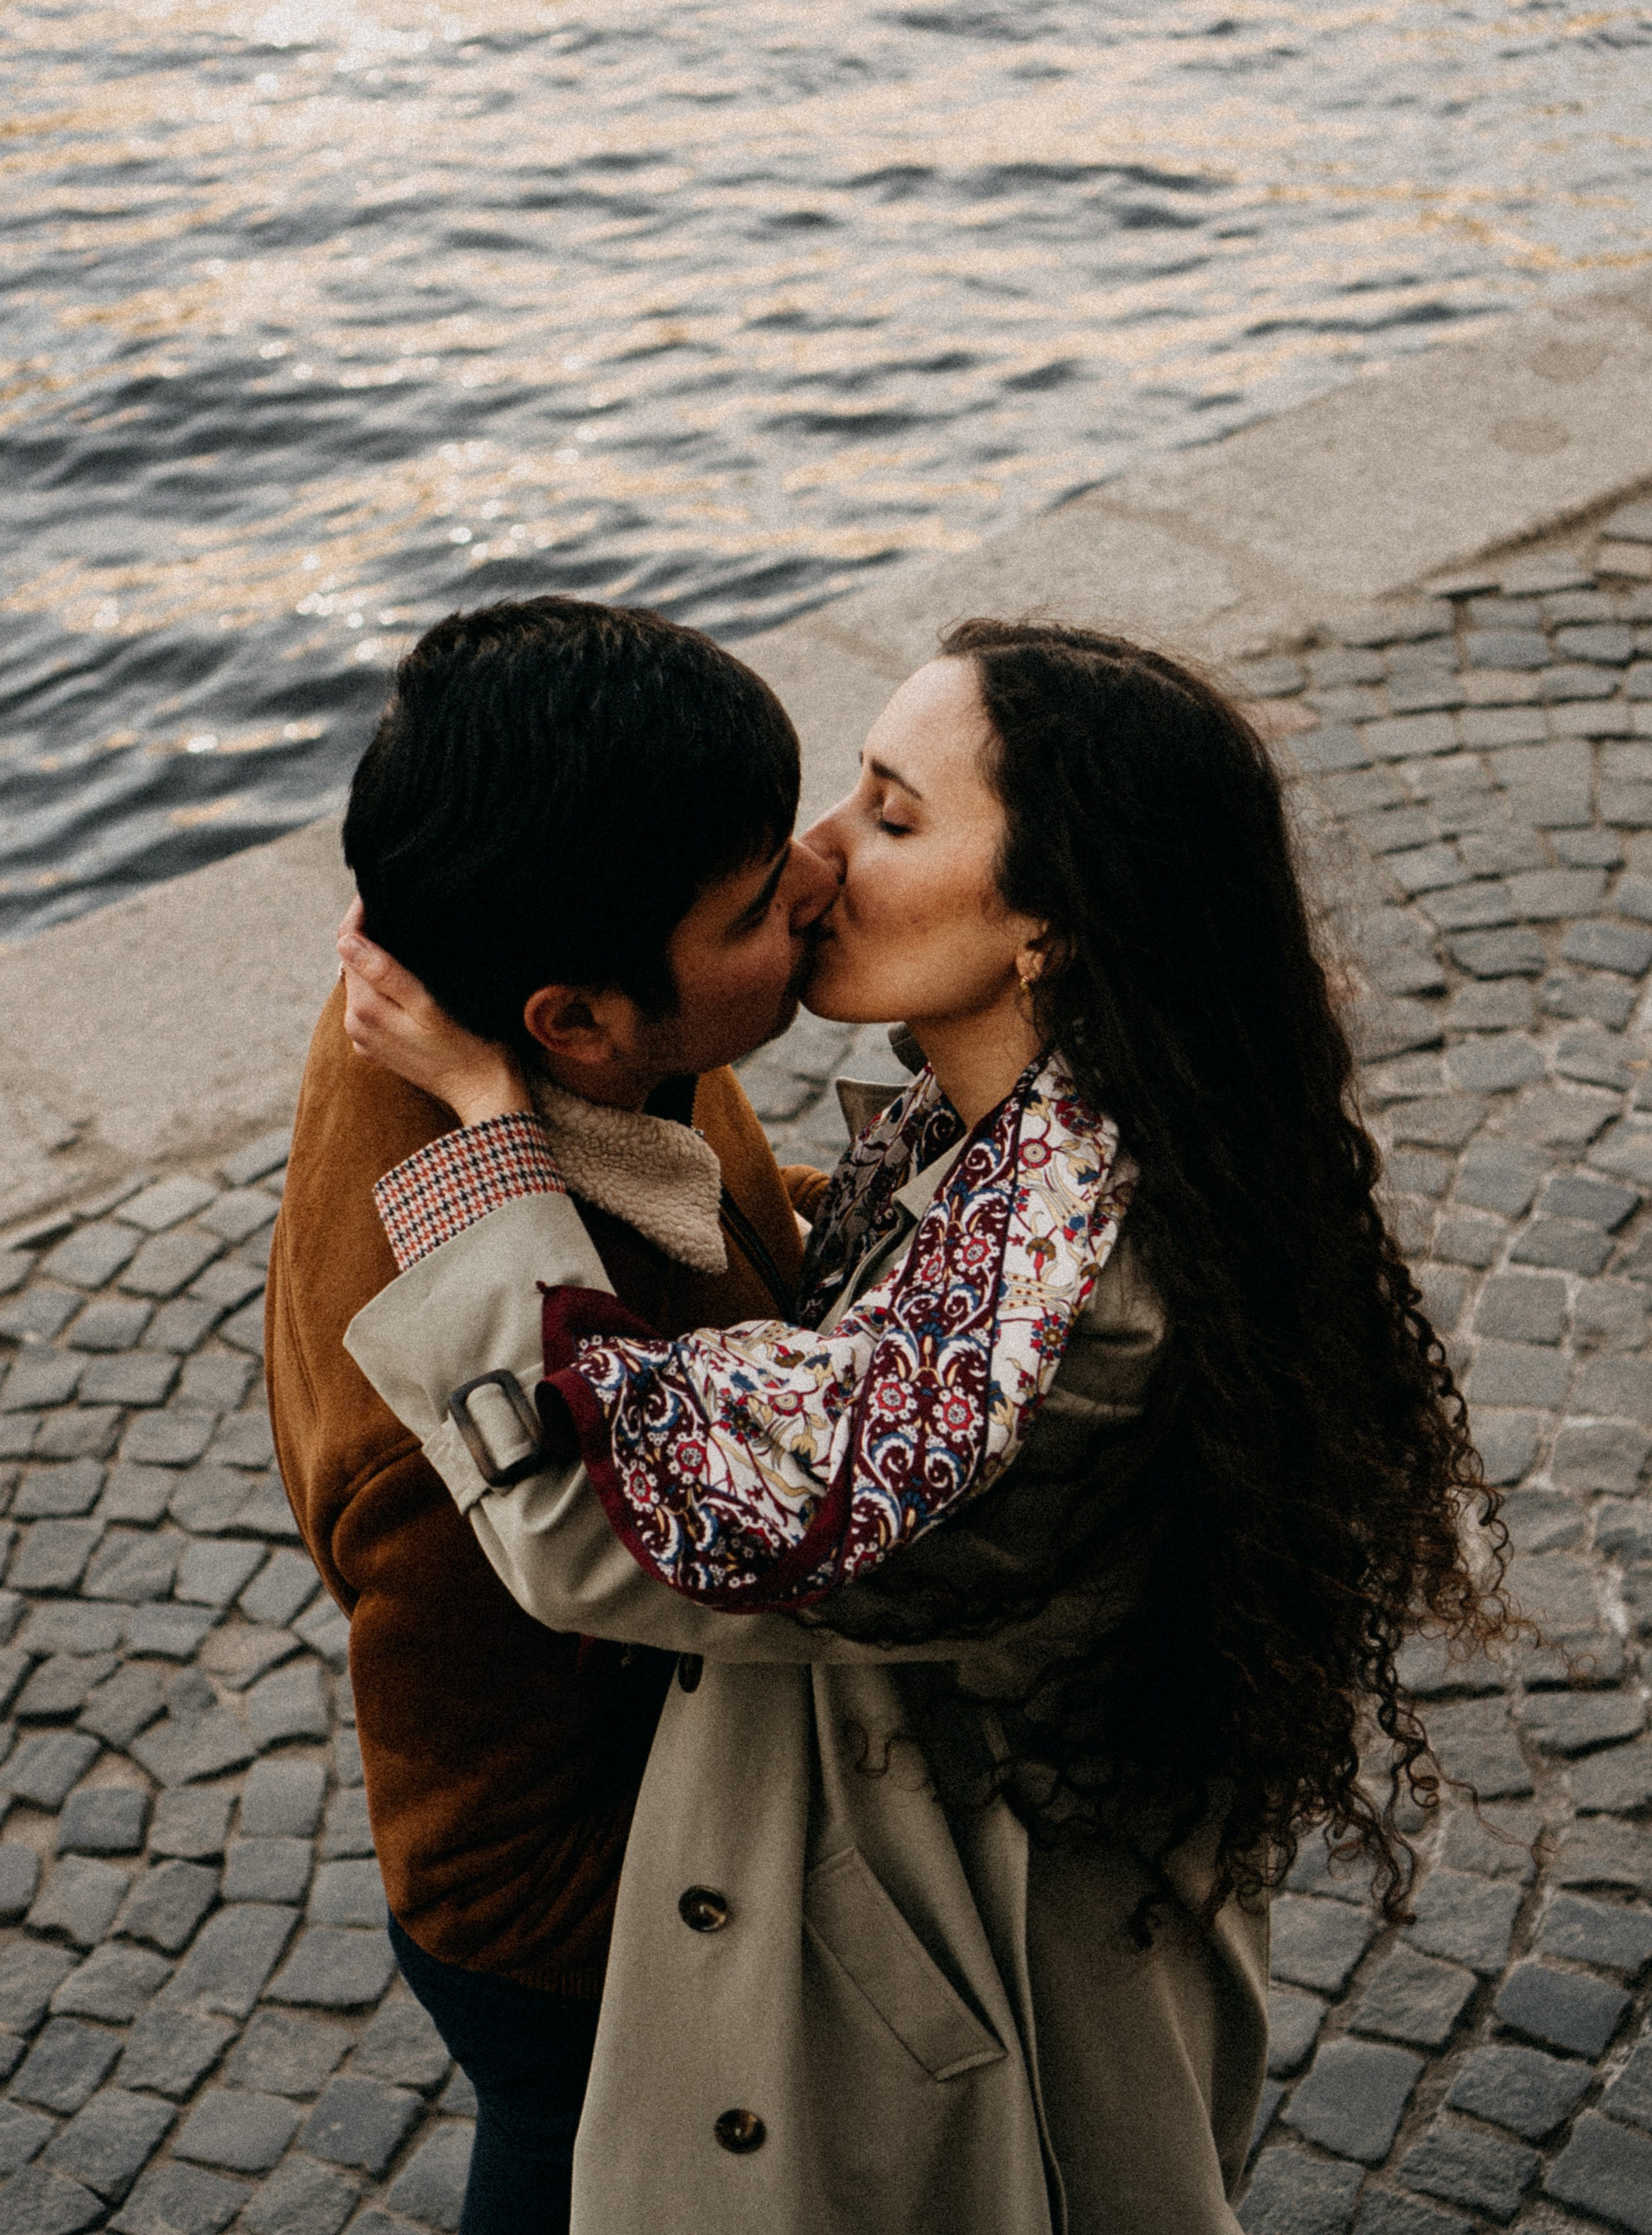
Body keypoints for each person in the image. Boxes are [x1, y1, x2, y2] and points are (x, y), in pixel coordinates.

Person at [340, 620, 1515, 2234]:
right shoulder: (1058, 1126)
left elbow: (597, 1538)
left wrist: (488, 1132)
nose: (818, 862)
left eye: (892, 818)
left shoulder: (1067, 1309)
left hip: (955, 1978)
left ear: (1047, 925)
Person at [265, 596, 838, 2235]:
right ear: (572, 1026)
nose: (812, 884)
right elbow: (513, 1815)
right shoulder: (464, 1413)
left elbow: (713, 1207)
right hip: (567, 1924)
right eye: (751, 909)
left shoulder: (476, 951)